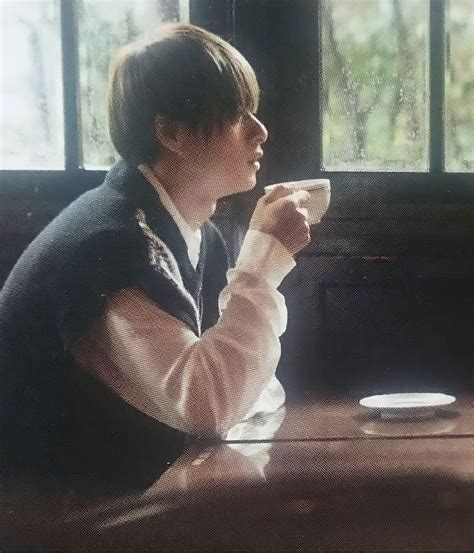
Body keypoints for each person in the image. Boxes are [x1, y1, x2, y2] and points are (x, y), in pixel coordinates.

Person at [0, 23, 310, 496]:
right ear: (171, 132)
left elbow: (239, 390)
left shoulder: (192, 233)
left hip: (121, 489)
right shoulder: (108, 246)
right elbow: (209, 404)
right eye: (235, 114)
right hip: (52, 516)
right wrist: (264, 259)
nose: (259, 130)